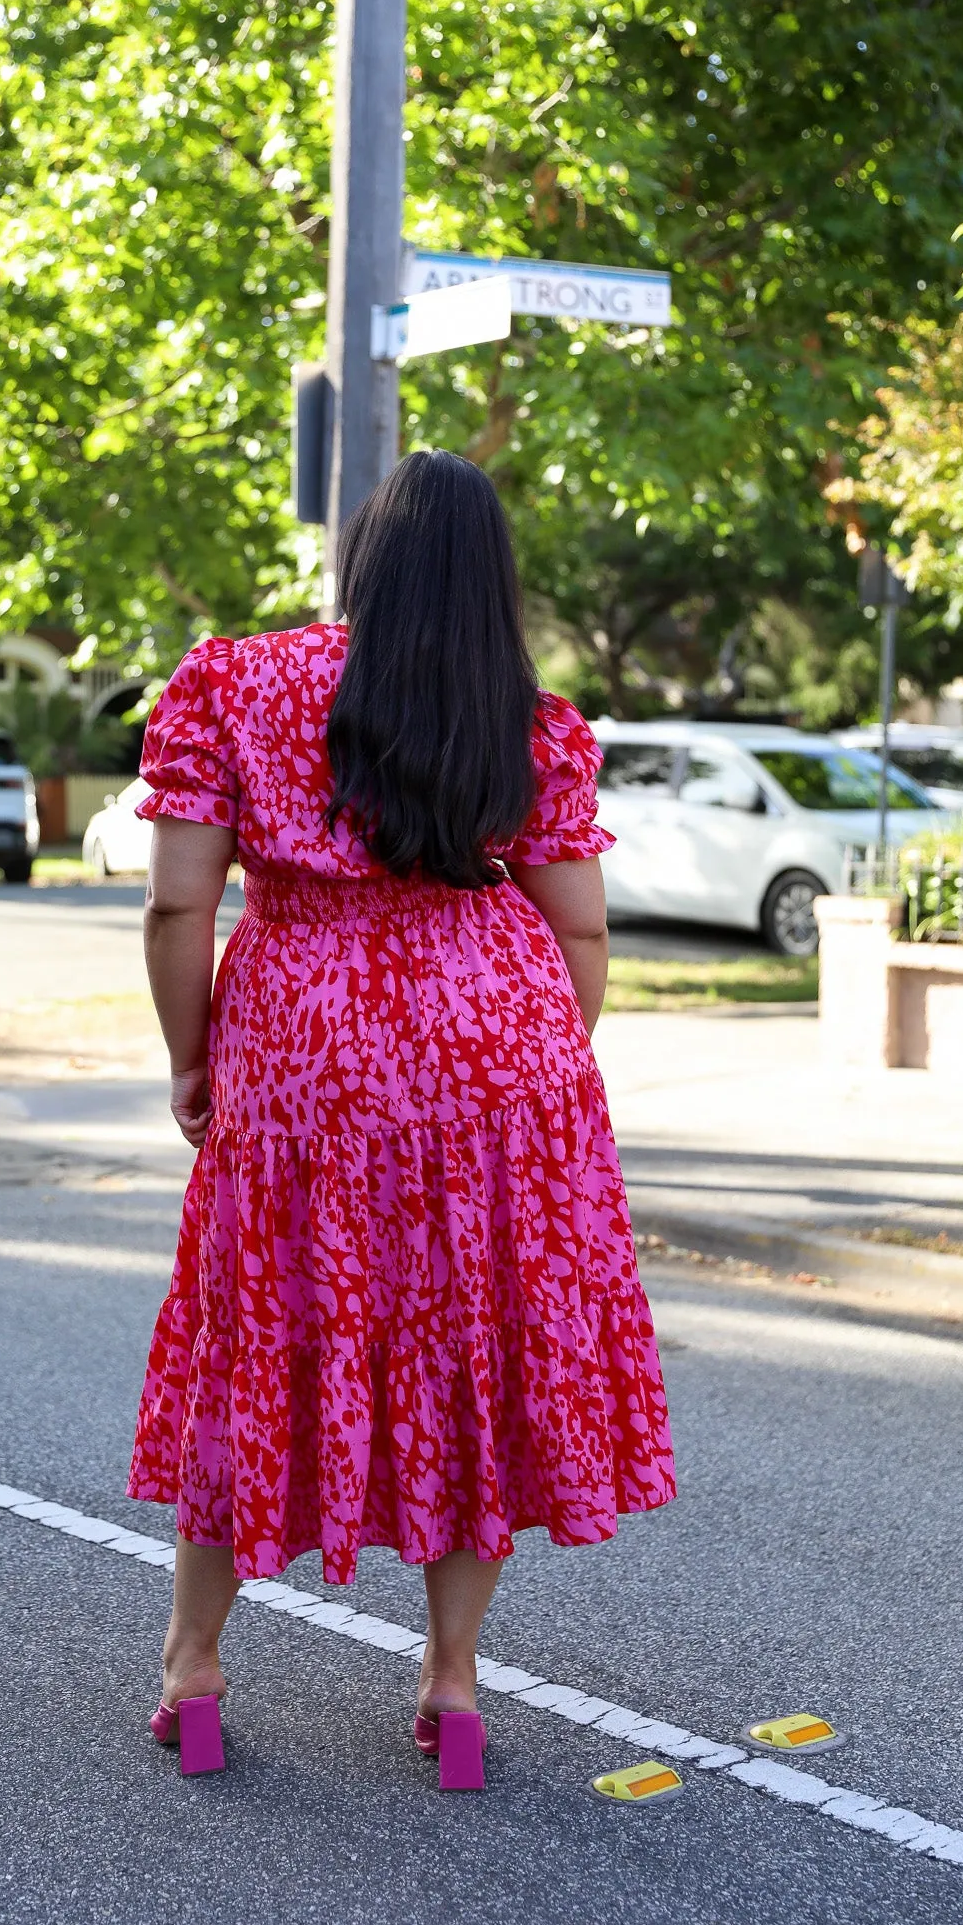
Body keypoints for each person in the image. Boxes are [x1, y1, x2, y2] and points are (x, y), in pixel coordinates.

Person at [129, 449, 675, 1785]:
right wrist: (531, 1075)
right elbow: (581, 927)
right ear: (492, 585)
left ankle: (194, 1667)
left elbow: (178, 905)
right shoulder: (531, 721)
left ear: (358, 564)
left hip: (302, 1054)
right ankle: (455, 1683)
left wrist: (196, 1063)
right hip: (501, 1055)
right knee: (472, 1356)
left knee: (257, 1344)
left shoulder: (237, 685)